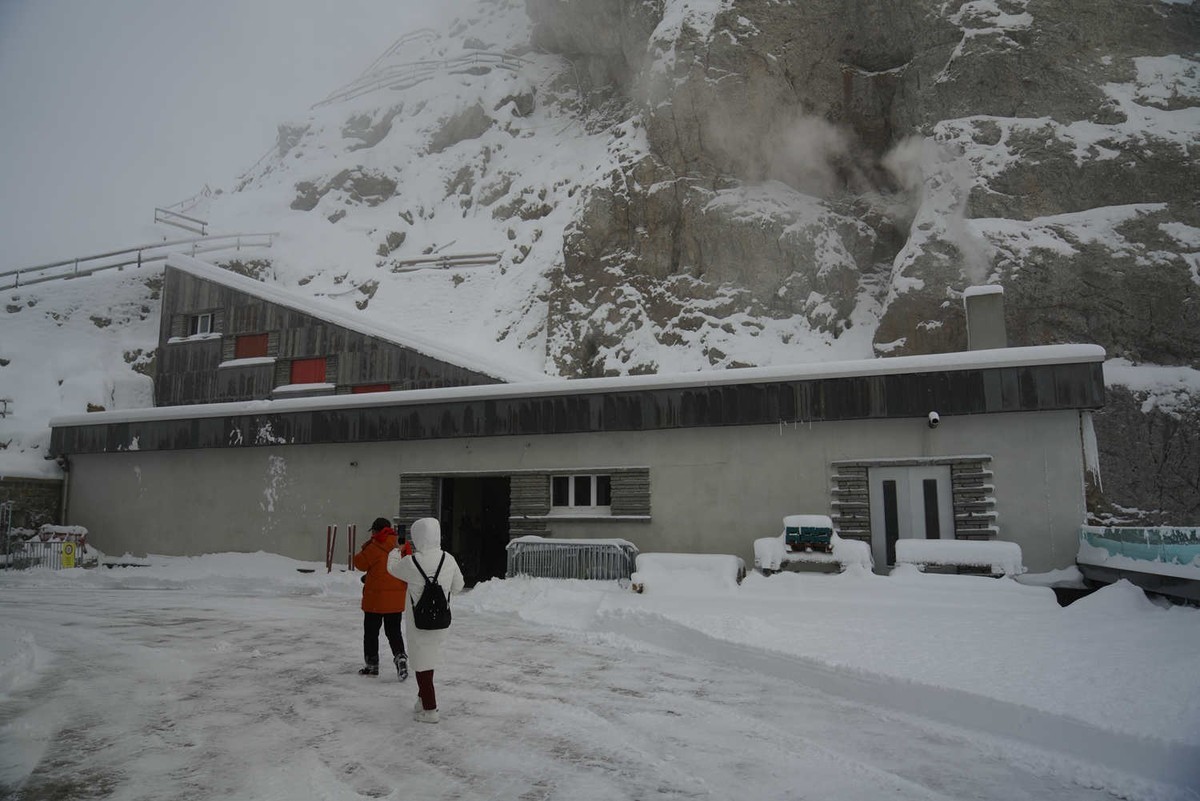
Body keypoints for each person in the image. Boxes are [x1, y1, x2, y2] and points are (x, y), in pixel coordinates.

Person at [387, 517, 464, 724]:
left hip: (418, 622)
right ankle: (422, 700)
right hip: (440, 619)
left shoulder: (411, 562)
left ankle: (430, 710)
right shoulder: (448, 559)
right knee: (428, 662)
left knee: (422, 664)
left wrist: (397, 549)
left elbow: (392, 569)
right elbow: (458, 586)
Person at [353, 517, 412, 681]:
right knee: (394, 632)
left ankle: (372, 665)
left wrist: (367, 545)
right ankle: (400, 657)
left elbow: (359, 563)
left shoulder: (373, 546)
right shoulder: (402, 543)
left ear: (375, 531)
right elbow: (409, 564)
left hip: (375, 599)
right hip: (395, 599)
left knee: (371, 632)